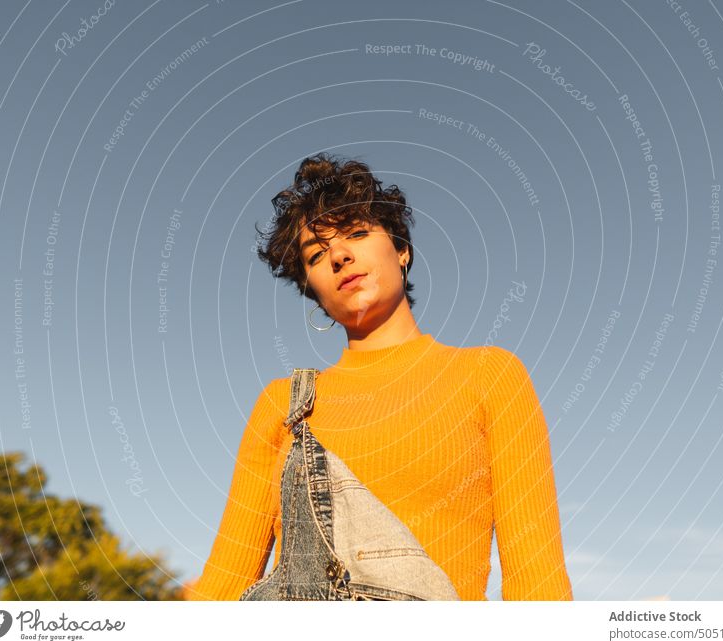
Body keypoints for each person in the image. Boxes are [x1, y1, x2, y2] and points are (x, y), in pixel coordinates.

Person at [187, 153, 572, 601]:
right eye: (316, 255)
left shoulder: (488, 376)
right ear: (312, 290)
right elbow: (221, 588)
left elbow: (537, 583)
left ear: (402, 250)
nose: (339, 256)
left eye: (356, 233)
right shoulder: (284, 405)